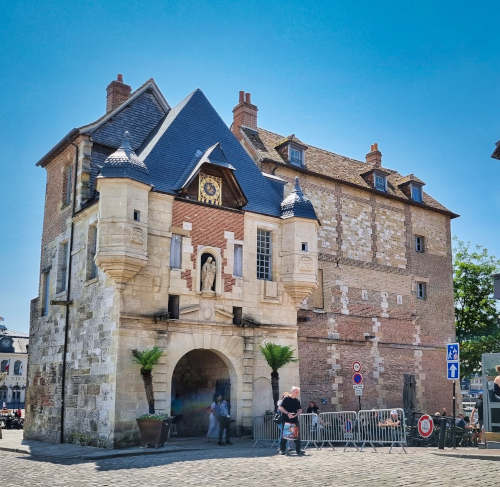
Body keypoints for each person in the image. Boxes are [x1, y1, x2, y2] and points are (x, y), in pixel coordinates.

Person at [278, 386, 305, 456]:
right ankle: (282, 450)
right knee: (284, 436)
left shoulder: (297, 400)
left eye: (297, 392)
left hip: (295, 420)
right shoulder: (286, 399)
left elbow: (300, 410)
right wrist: (288, 413)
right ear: (292, 391)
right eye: (295, 392)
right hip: (286, 419)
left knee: (297, 436)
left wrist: (296, 415)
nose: (297, 393)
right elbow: (280, 408)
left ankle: (298, 450)